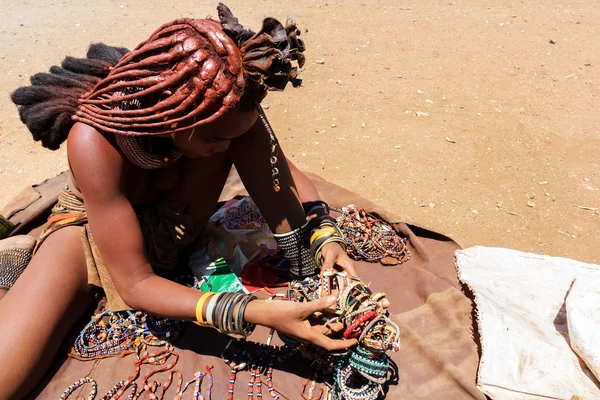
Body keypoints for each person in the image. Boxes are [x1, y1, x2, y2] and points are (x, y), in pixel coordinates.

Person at [0, 4, 358, 399]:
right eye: (213, 138)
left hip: (177, 225)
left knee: (250, 140)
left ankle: (303, 263)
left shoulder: (225, 106)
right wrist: (254, 312)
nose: (225, 148)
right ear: (176, 116)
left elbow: (278, 170)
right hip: (95, 238)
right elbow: (135, 282)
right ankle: (28, 255)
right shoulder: (93, 142)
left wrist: (325, 234)